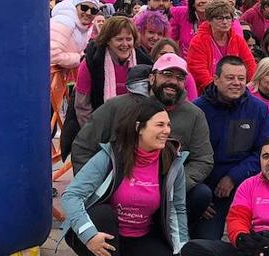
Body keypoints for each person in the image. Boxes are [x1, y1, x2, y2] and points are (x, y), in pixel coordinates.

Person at [62, 99, 188, 256]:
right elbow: (71, 196)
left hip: (139, 236)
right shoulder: (111, 155)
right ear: (139, 127)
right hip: (98, 235)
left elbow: (178, 208)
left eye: (168, 125)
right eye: (159, 125)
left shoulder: (172, 160)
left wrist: (181, 249)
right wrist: (89, 235)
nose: (167, 130)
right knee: (102, 213)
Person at [72, 54, 213, 203]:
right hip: (118, 186)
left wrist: (174, 185)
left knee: (201, 194)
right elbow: (83, 147)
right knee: (102, 213)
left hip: (167, 192)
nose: (173, 81)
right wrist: (97, 187)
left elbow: (203, 159)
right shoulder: (117, 106)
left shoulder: (194, 115)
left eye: (180, 78)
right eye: (167, 74)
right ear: (152, 78)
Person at [192, 56, 269, 241]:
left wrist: (233, 177)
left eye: (241, 78)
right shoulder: (197, 110)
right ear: (216, 79)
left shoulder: (258, 109)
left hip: (246, 184)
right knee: (206, 243)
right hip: (208, 189)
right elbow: (186, 156)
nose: (236, 83)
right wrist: (196, 199)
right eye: (230, 78)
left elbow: (266, 151)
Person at [74, 15, 151, 128]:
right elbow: (82, 106)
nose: (125, 44)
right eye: (119, 39)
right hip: (99, 125)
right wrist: (95, 132)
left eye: (129, 39)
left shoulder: (144, 62)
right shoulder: (91, 62)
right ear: (108, 41)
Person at [187, 0, 257, 90]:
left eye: (228, 18)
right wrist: (218, 90)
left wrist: (252, 85)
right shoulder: (198, 41)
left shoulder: (238, 40)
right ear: (209, 20)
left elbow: (250, 64)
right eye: (220, 18)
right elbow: (198, 71)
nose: (225, 22)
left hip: (235, 89)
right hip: (208, 91)